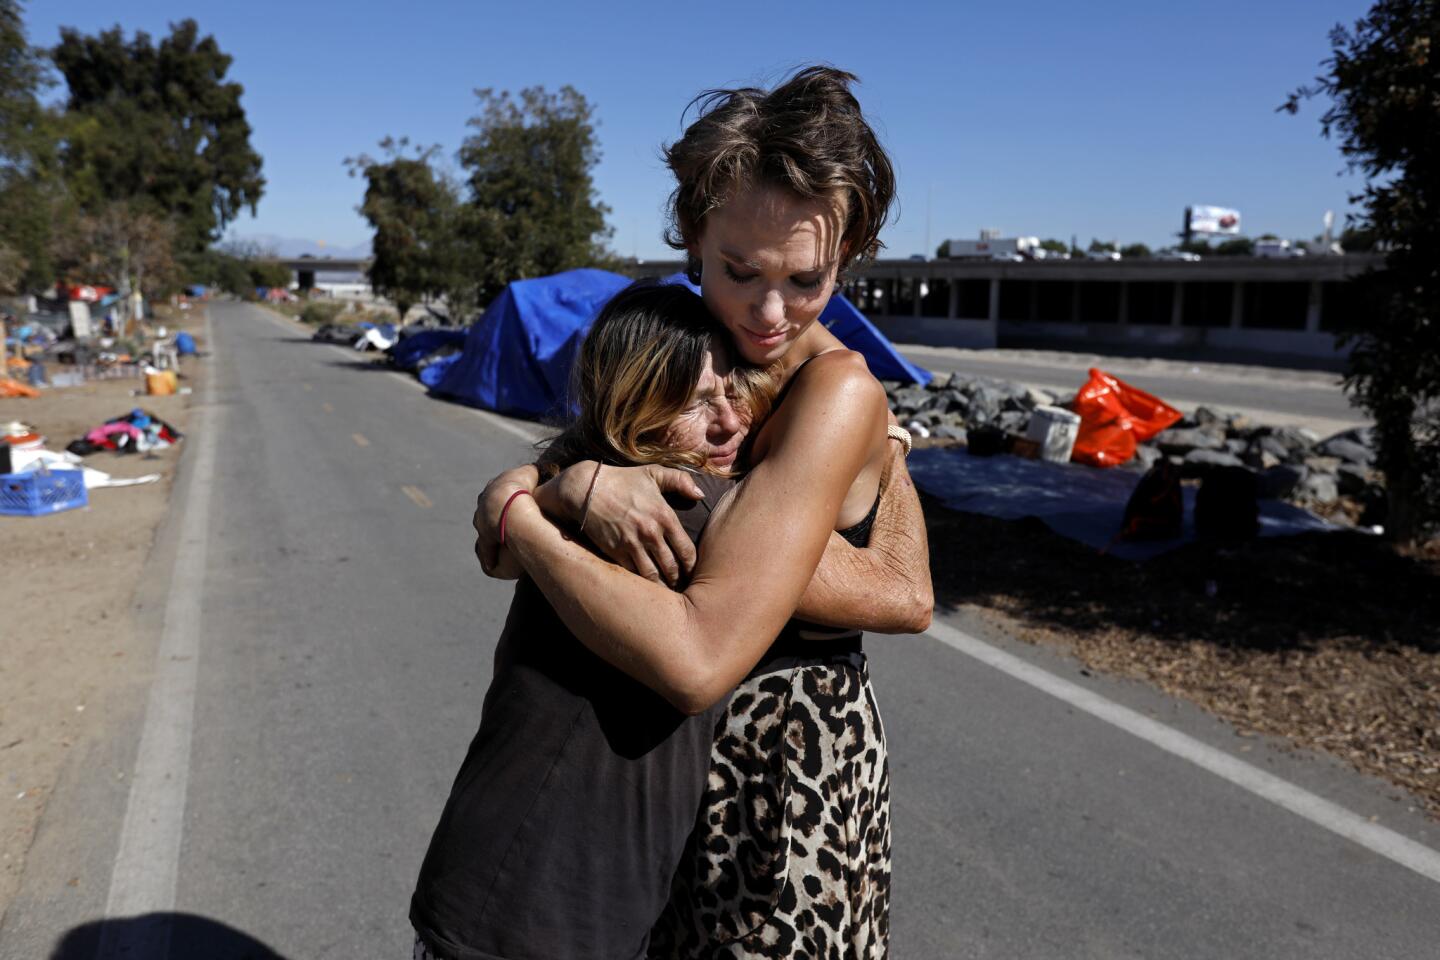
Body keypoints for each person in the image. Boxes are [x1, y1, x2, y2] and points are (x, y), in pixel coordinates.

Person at [474, 66, 928, 958]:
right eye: (738, 270)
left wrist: (541, 506)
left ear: (851, 252)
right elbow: (573, 463)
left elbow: (891, 601)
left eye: (808, 280)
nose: (770, 312)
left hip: (786, 770)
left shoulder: (835, 390)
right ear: (693, 233)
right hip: (689, 763)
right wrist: (553, 483)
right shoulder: (698, 340)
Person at [412, 280, 927, 960]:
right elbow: (906, 594)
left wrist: (531, 494)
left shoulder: (602, 484)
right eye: (693, 402)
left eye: (732, 393)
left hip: (536, 899)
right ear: (636, 412)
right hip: (527, 915)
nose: (728, 424)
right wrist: (887, 448)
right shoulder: (680, 512)